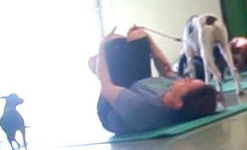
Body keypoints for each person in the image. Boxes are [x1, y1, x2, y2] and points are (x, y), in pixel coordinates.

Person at [91, 27, 219, 134]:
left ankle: (95, 63)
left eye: (188, 83)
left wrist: (102, 50)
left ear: (178, 103)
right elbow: (166, 69)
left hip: (112, 107)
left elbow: (106, 86)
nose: (185, 79)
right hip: (139, 86)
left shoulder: (142, 108)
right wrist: (148, 39)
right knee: (138, 36)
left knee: (114, 41)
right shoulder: (177, 92)